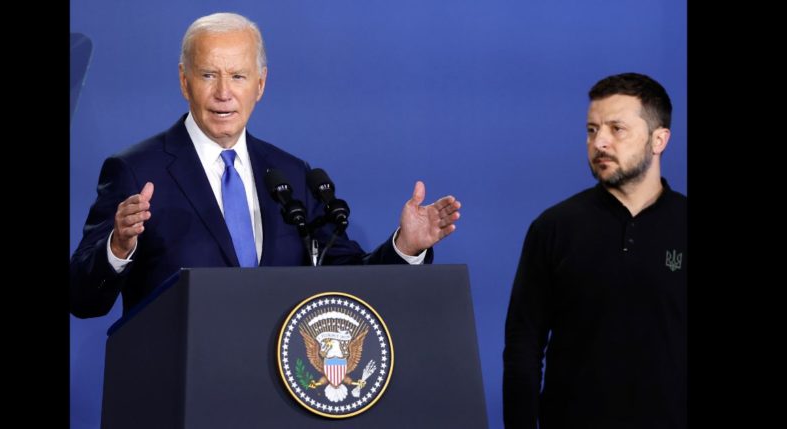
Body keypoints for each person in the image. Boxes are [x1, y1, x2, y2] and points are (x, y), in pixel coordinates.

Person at [69, 12, 461, 319]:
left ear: (260, 84)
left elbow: (348, 282)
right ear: (184, 81)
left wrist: (405, 246)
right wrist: (118, 246)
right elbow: (82, 299)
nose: (224, 93)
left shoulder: (290, 174)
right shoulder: (137, 171)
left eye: (238, 76)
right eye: (209, 75)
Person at [502, 73, 686, 428]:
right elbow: (523, 348)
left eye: (617, 129)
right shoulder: (553, 227)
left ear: (659, 139)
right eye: (592, 130)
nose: (600, 142)